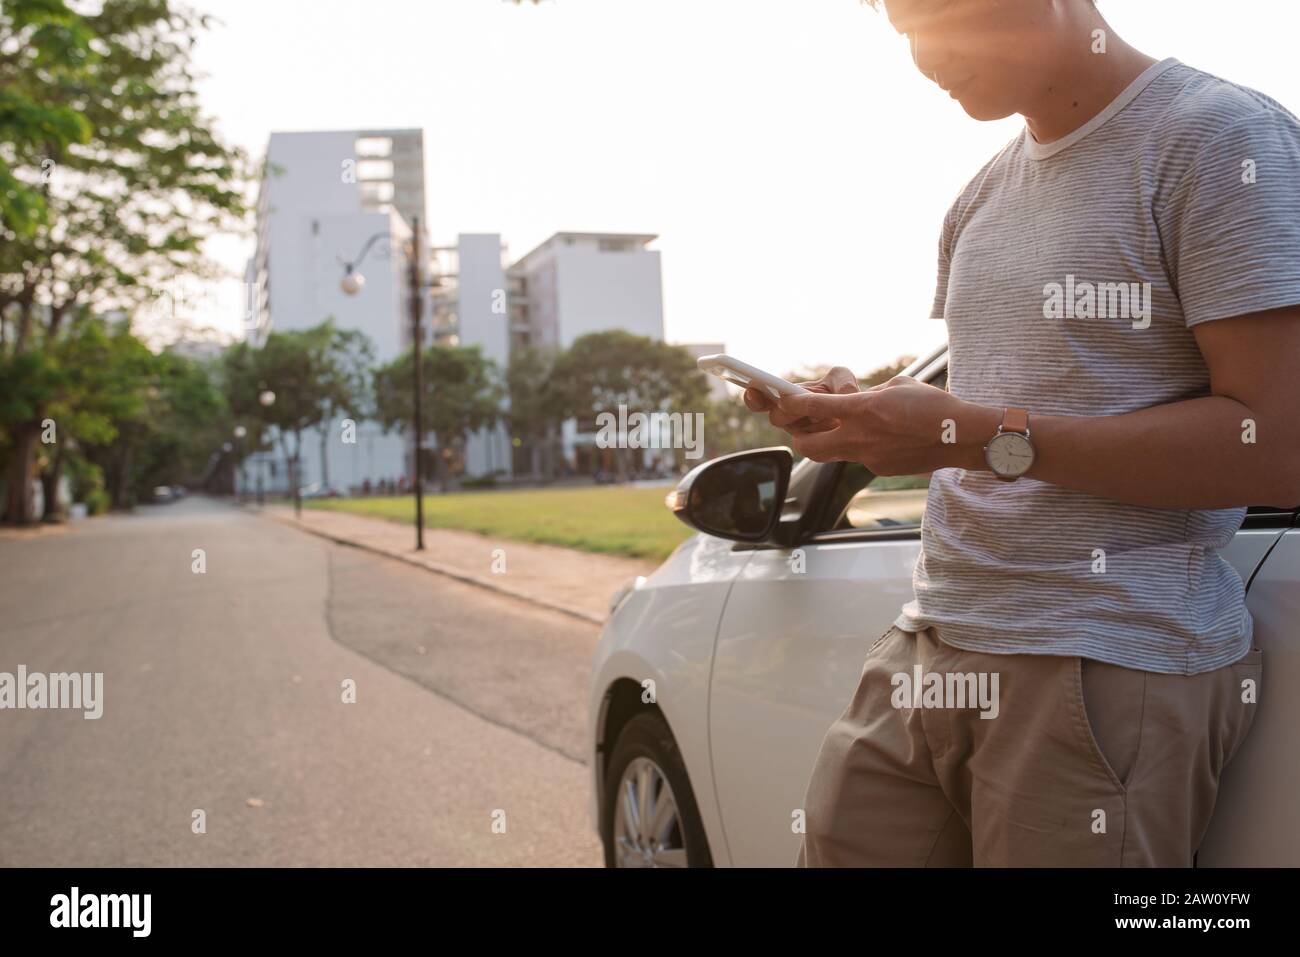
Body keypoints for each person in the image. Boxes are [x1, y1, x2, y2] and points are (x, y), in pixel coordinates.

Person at [745, 0, 1300, 867]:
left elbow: (1274, 444)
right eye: (903, 33)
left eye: (943, 21)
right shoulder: (983, 194)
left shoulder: (1221, 138)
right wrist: (866, 414)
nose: (924, 59)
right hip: (933, 638)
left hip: (1102, 657)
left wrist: (963, 437)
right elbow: (998, 407)